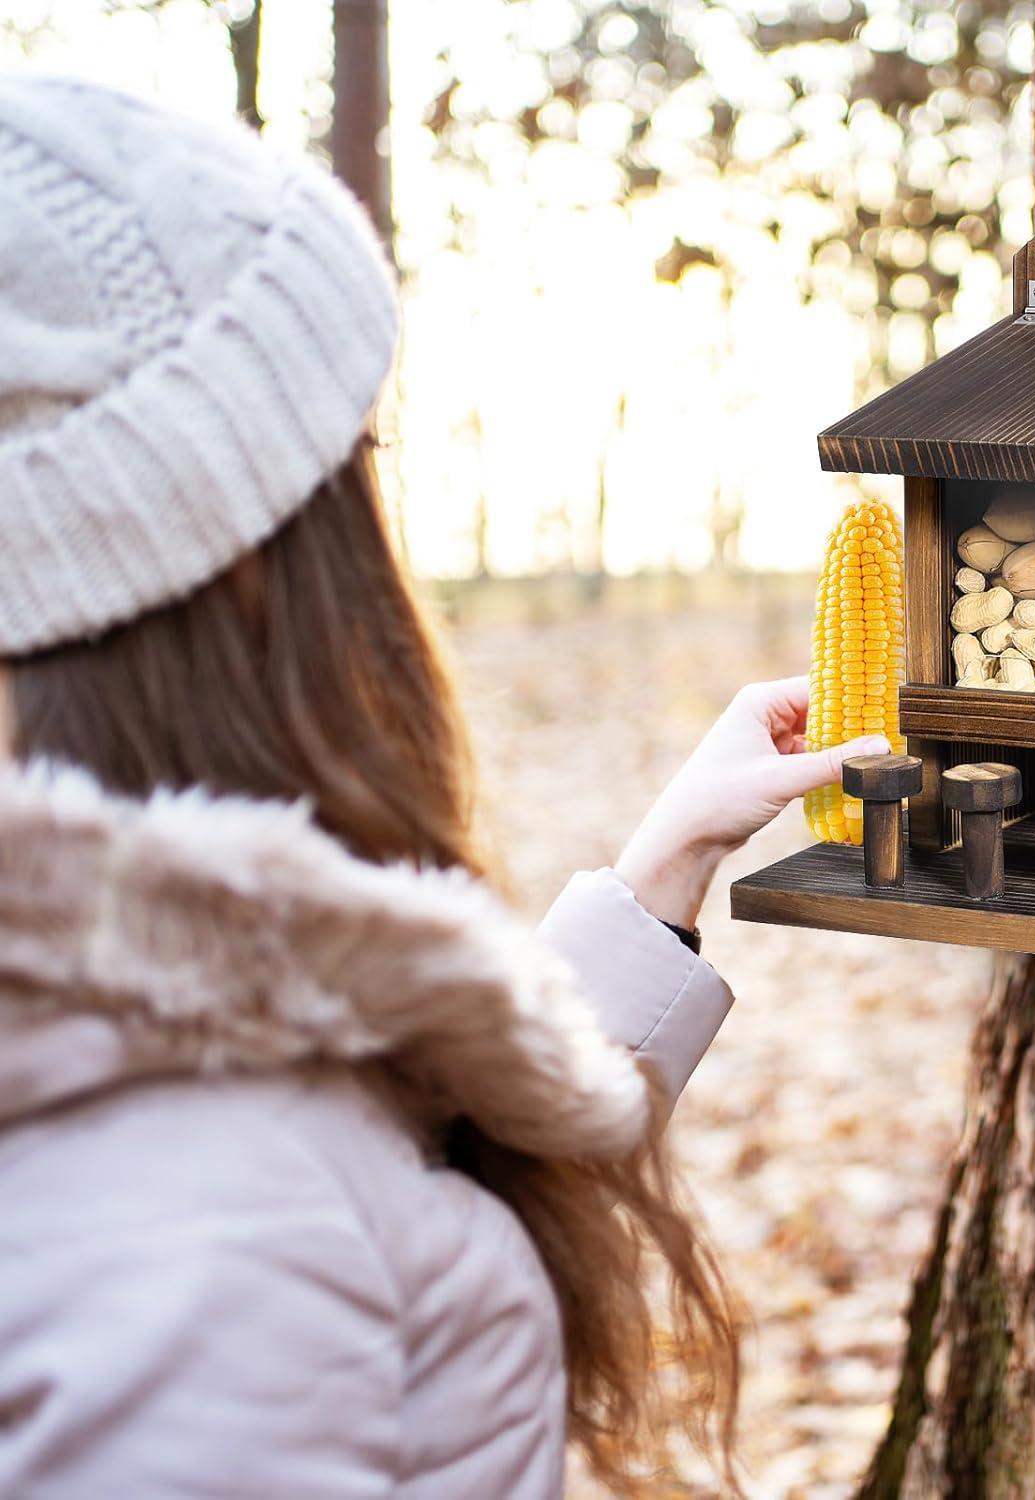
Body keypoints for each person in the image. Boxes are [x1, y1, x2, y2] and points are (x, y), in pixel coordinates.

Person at [0, 75, 886, 1497]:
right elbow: (288, 1217)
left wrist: (661, 868)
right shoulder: (211, 1245)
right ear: (236, 568)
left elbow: (379, 1169)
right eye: (349, 467)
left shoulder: (136, 1022)